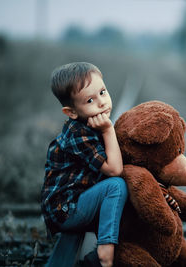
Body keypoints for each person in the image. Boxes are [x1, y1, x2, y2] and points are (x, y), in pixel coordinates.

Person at [41, 62, 127, 267]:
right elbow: (115, 170)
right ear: (71, 112)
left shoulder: (90, 123)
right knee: (116, 186)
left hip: (77, 201)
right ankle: (105, 254)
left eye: (103, 92)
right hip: (65, 210)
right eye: (90, 100)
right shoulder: (78, 133)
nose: (101, 103)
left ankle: (103, 254)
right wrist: (108, 131)